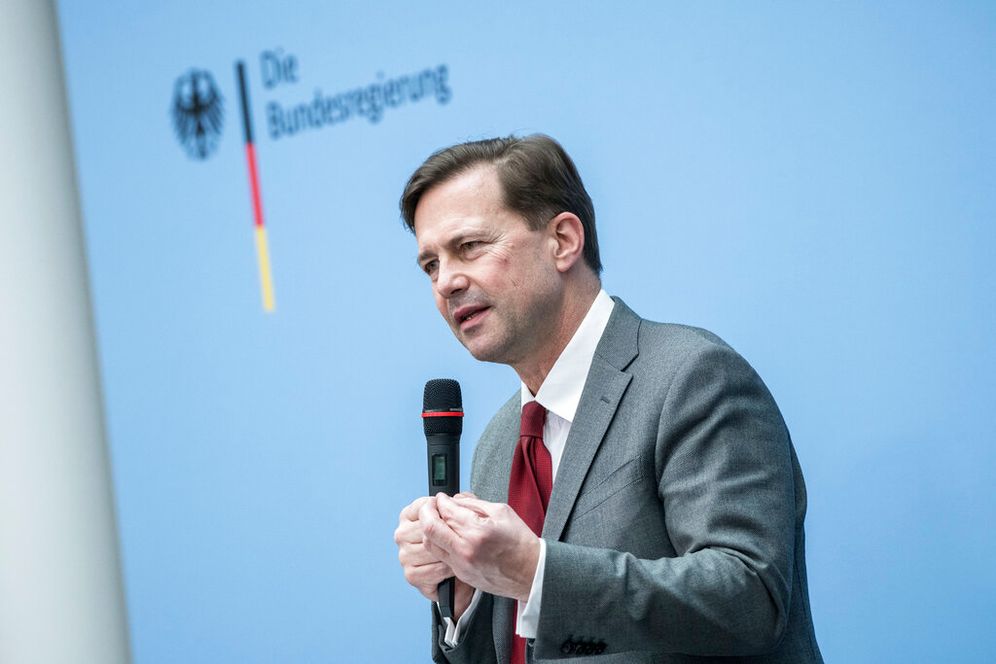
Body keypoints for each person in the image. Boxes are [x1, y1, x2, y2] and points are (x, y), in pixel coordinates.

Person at [393, 134, 823, 663]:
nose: (446, 282)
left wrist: (535, 572)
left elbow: (750, 600)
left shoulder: (691, 377)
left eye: (470, 247)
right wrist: (463, 603)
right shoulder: (497, 445)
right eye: (430, 265)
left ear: (563, 241)